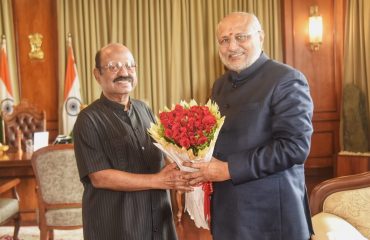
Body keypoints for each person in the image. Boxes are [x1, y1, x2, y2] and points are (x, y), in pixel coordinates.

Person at [184, 12, 314, 240]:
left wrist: (228, 169)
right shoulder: (220, 85)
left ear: (261, 37)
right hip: (227, 214)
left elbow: (294, 147)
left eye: (241, 37)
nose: (232, 46)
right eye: (224, 40)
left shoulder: (286, 79)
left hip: (271, 219)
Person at [73, 43, 191, 240]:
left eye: (130, 66)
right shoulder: (88, 119)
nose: (124, 72)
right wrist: (158, 180)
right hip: (117, 224)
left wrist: (183, 170)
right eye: (113, 66)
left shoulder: (144, 110)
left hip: (156, 218)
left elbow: (163, 154)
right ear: (97, 74)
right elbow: (99, 177)